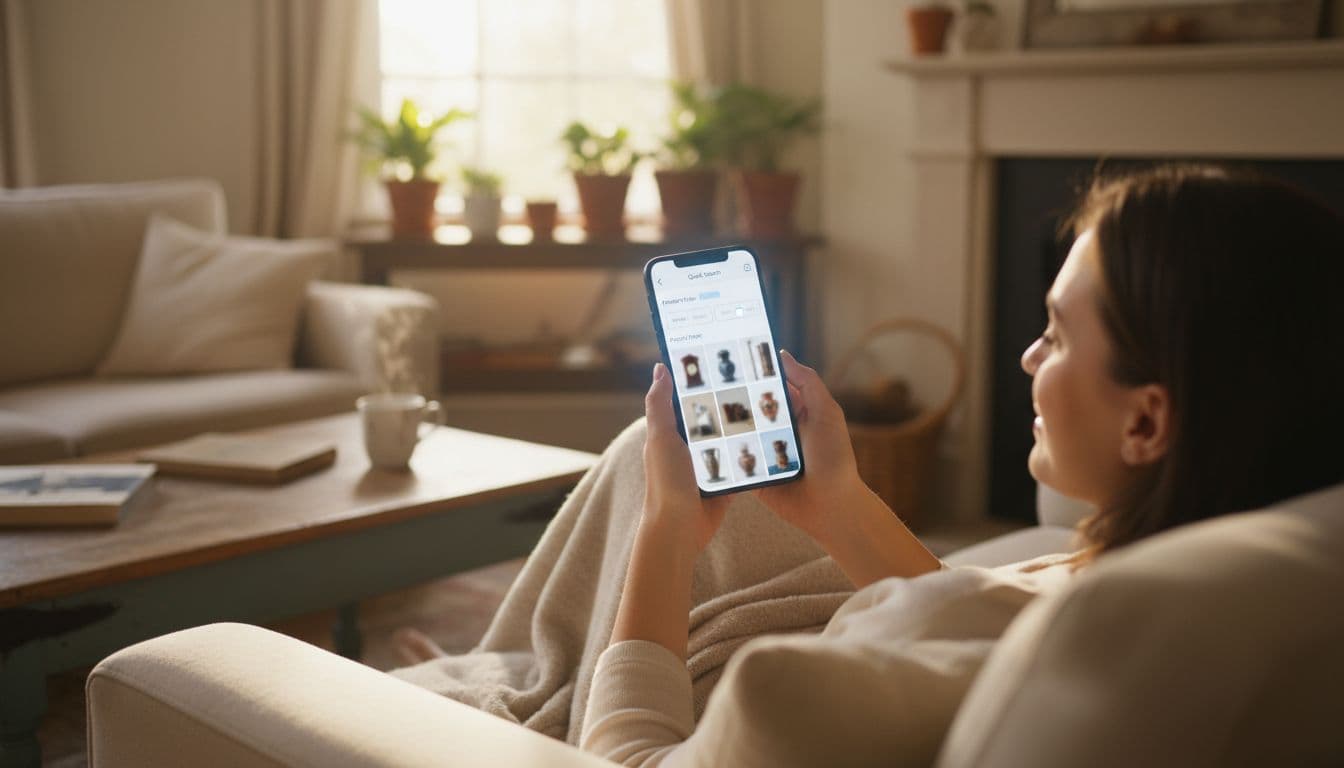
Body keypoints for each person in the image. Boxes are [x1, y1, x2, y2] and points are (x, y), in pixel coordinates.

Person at [393, 165, 1344, 765]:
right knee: (666, 458)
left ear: (1146, 422)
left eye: (1055, 335)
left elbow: (635, 759)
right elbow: (970, 616)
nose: (1027, 358)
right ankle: (524, 668)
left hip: (728, 700)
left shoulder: (800, 704)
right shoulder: (1237, 561)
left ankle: (508, 688)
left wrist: (669, 536)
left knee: (654, 467)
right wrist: (839, 506)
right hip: (846, 617)